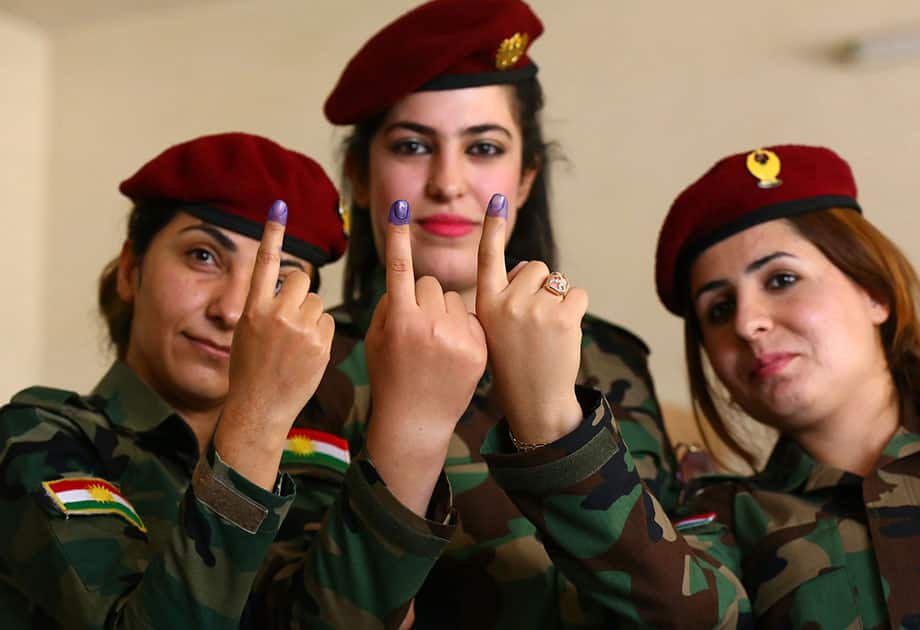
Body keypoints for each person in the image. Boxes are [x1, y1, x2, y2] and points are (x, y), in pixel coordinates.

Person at [477, 144, 920, 628]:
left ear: (874, 293)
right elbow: (678, 610)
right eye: (719, 309)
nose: (747, 324)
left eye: (781, 280)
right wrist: (548, 421)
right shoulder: (728, 523)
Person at [278, 0, 680, 627]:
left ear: (525, 179)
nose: (447, 182)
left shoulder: (610, 357)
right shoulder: (308, 355)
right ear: (359, 176)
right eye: (413, 145)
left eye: (484, 147)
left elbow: (692, 605)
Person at [0, 131, 364, 627]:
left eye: (277, 280)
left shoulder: (312, 460)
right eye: (204, 256)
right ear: (131, 270)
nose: (234, 310)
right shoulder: (40, 437)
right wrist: (256, 420)